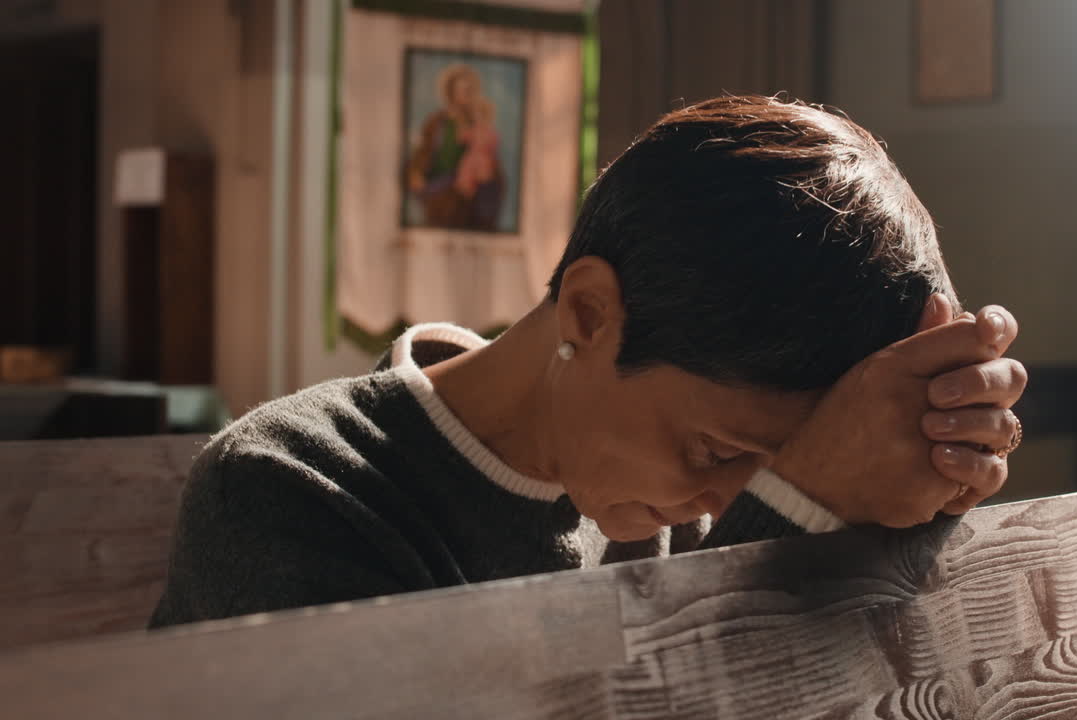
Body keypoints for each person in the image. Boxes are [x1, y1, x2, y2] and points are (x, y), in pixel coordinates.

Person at [150, 96, 1027, 627]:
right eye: (717, 453)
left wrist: (921, 478)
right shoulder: (289, 492)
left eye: (778, 466)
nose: (725, 507)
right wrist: (798, 512)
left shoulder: (657, 493)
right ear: (589, 311)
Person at [405, 63, 505, 231]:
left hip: (469, 186)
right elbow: (424, 150)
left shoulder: (479, 122)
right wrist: (416, 172)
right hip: (441, 183)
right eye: (463, 91)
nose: (468, 95)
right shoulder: (437, 122)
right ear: (452, 93)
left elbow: (490, 156)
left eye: (471, 91)